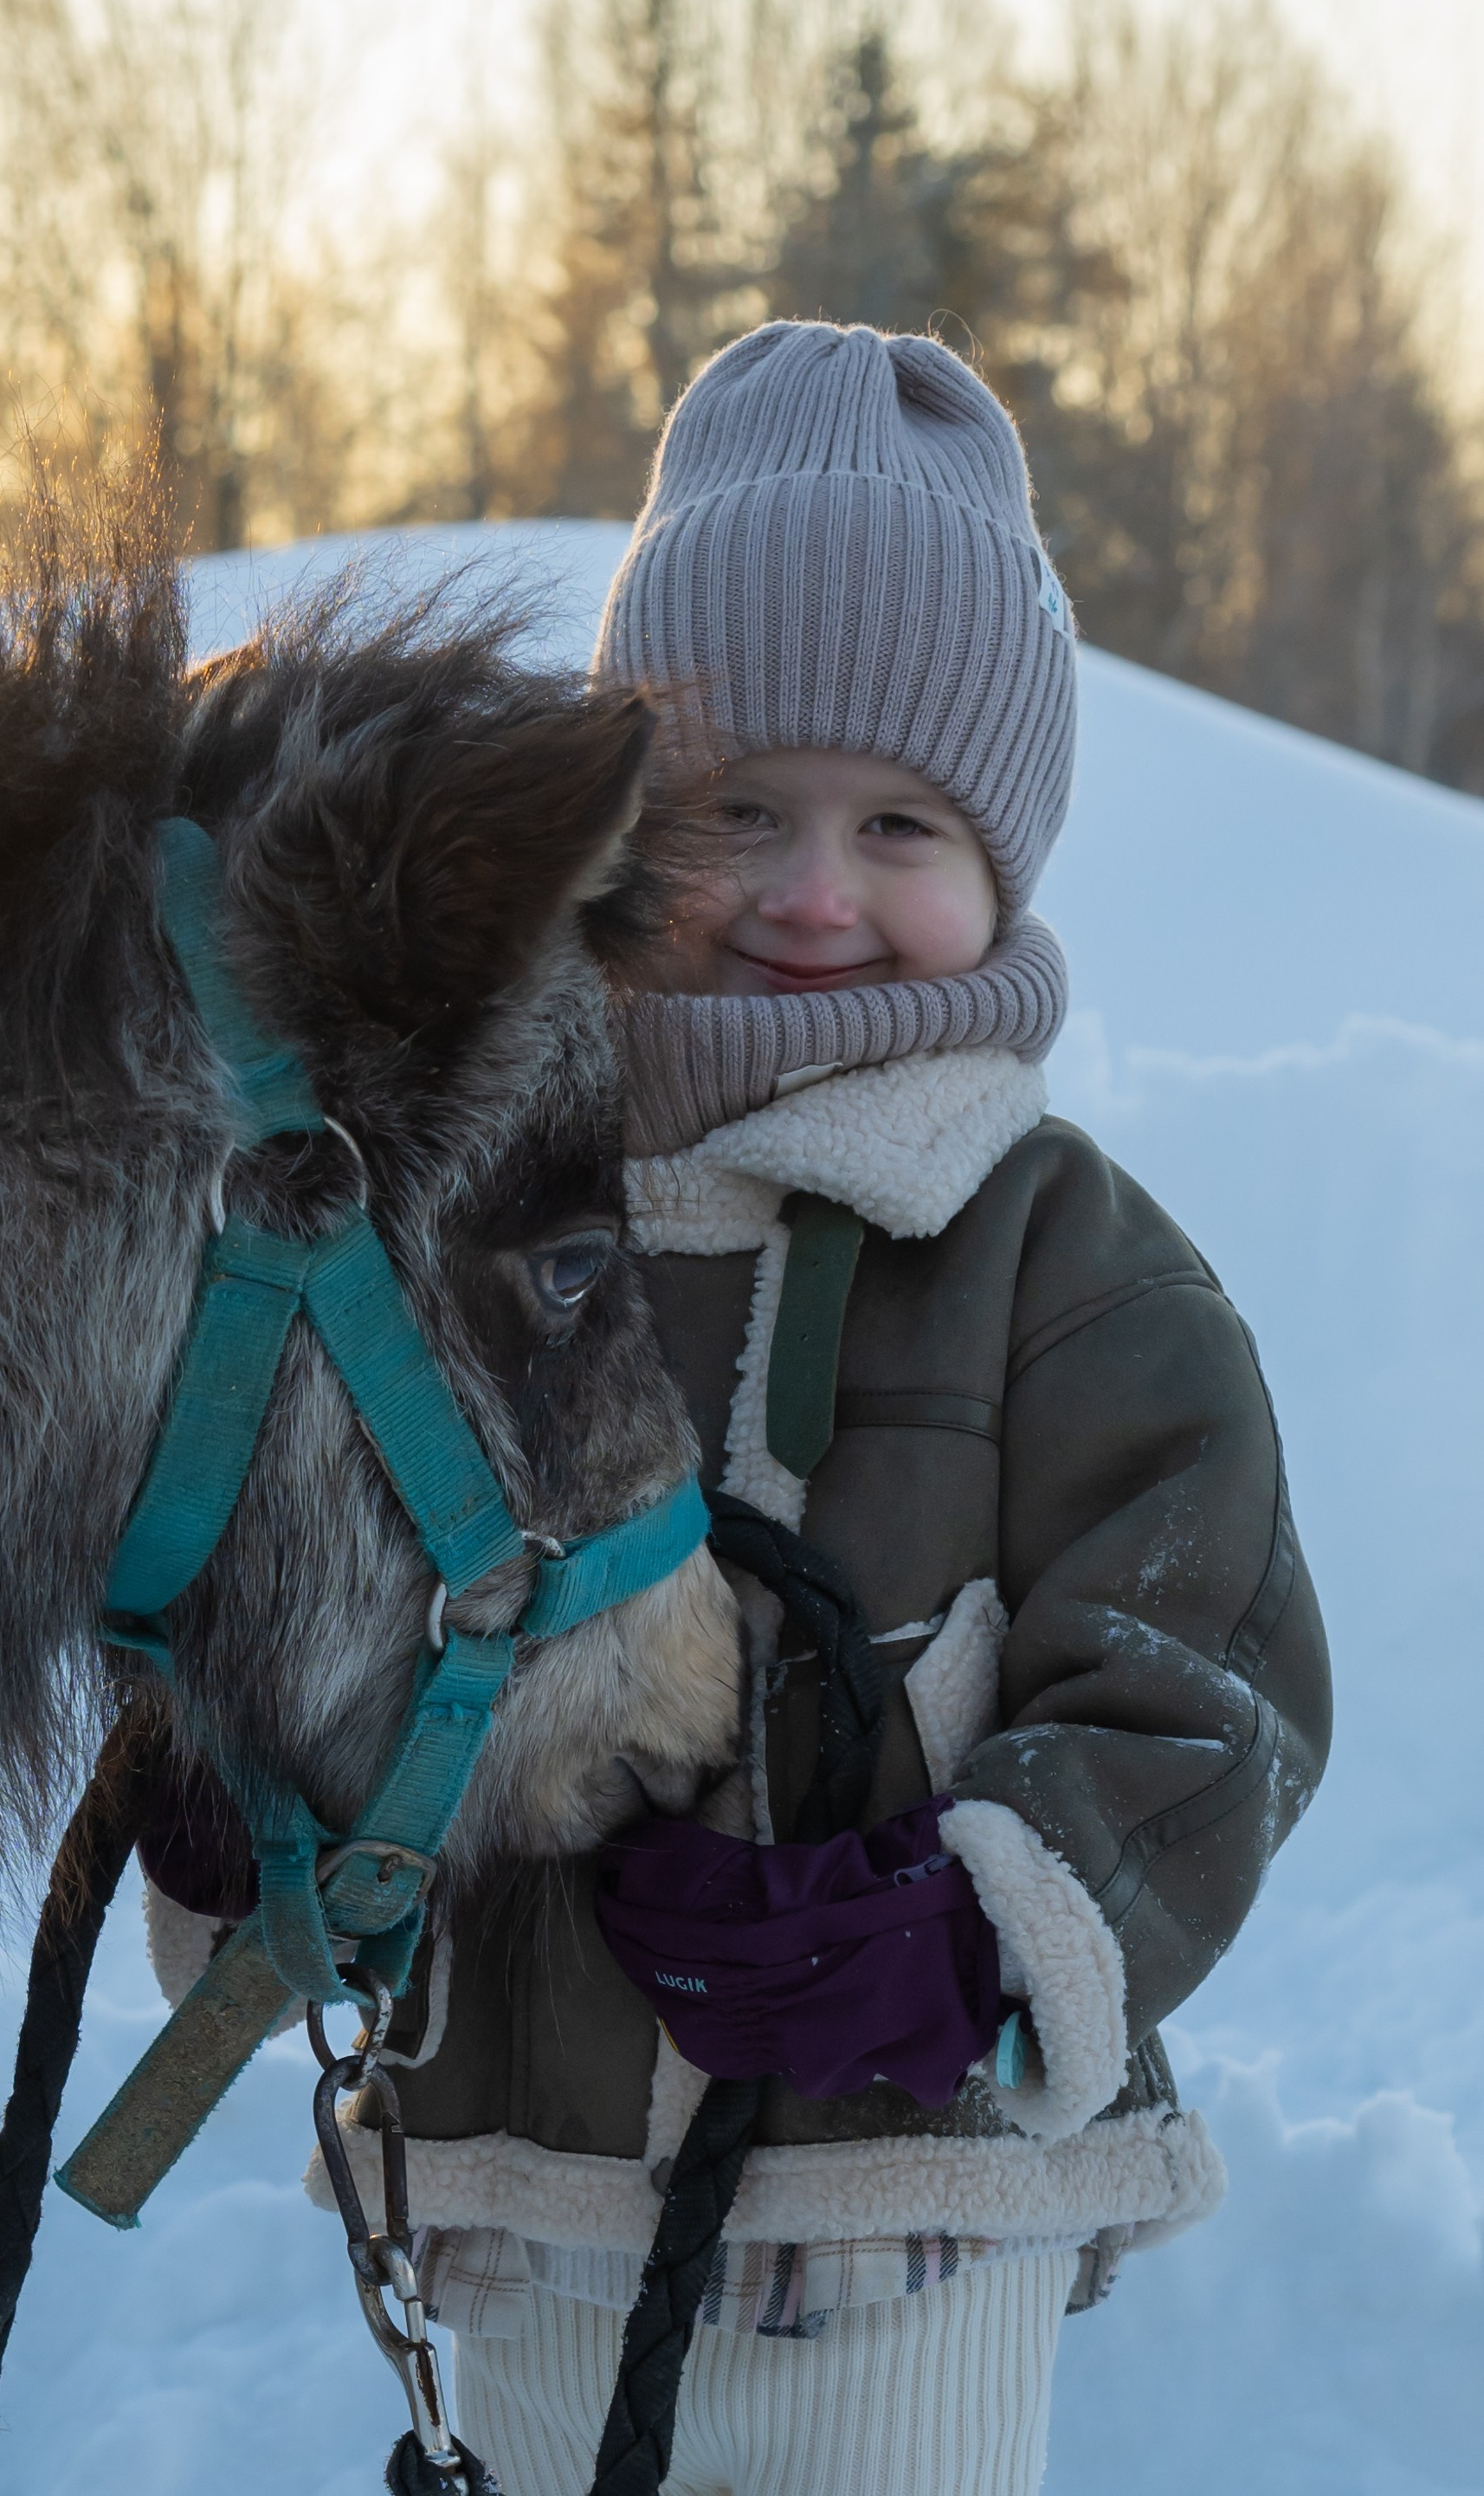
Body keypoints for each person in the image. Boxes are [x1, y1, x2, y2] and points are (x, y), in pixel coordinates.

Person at [356, 322, 1332, 2496]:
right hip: (519, 2195)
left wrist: (979, 1936)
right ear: (626, 837)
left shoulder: (1054, 1252)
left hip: (904, 2205)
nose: (811, 894)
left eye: (895, 821)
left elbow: (1206, 1680)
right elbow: (353, 1582)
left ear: (1000, 859)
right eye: (738, 816)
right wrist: (262, 1810)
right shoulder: (482, 1218)